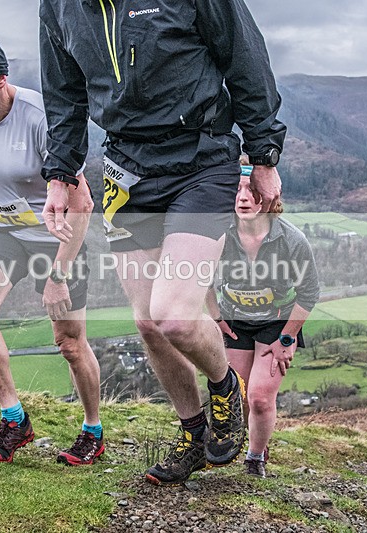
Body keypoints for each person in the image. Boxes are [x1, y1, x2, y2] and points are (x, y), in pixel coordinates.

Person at [38, 0, 287, 485]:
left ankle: (224, 385)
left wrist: (263, 152)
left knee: (174, 313)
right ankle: (193, 433)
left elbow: (245, 57)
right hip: (127, 170)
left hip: (202, 158)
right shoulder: (59, 6)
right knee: (148, 322)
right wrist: (60, 175)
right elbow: (64, 94)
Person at [0, 31, 103, 465]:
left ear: (0, 77)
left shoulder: (40, 117)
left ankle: (92, 429)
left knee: (69, 343)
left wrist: (58, 274)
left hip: (58, 241)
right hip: (5, 233)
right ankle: (14, 419)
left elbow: (83, 203)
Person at [206, 166, 319, 477]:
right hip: (235, 321)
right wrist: (216, 317)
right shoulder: (219, 234)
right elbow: (201, 278)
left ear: (270, 196)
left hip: (276, 324)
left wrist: (288, 338)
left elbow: (309, 293)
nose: (244, 198)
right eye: (237, 190)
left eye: (253, 191)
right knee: (237, 393)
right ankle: (248, 439)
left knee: (259, 397)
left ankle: (255, 458)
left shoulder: (292, 240)